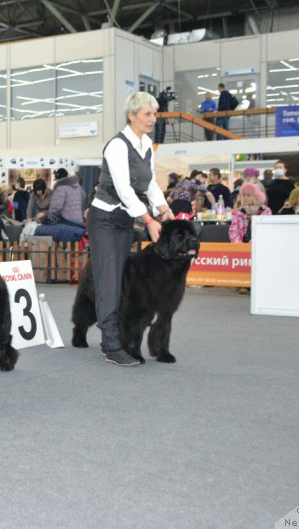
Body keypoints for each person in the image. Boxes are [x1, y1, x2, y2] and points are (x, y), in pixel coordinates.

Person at [86, 91, 173, 367]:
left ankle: (111, 339)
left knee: (118, 281)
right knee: (109, 282)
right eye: (147, 114)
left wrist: (164, 209)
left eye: (155, 114)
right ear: (131, 116)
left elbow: (149, 184)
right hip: (104, 219)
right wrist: (149, 220)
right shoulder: (117, 146)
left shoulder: (146, 145)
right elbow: (124, 189)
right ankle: (112, 345)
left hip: (123, 221)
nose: (153, 119)